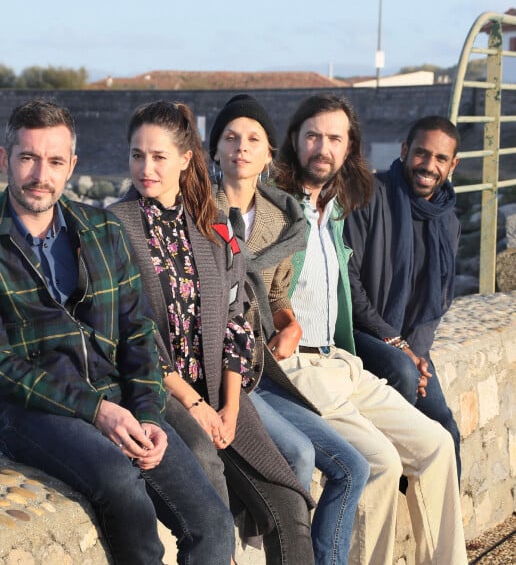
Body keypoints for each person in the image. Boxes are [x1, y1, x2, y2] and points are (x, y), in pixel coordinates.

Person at [0, 99, 235, 565]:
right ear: (4, 160)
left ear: (72, 166)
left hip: (119, 396)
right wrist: (99, 411)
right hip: (33, 411)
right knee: (122, 486)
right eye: (27, 158)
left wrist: (147, 413)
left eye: (55, 161)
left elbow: (137, 330)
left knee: (214, 525)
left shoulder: (101, 229)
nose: (41, 174)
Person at [109, 100, 315, 565]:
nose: (146, 168)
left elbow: (239, 319)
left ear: (185, 159)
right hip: (160, 390)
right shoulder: (114, 226)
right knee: (208, 476)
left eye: (159, 157)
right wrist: (197, 405)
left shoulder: (214, 226)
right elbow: (128, 331)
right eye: (137, 155)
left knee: (289, 505)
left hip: (221, 391)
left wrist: (230, 405)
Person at [273, 94, 467, 564]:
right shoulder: (274, 208)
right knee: (382, 461)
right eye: (313, 136)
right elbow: (252, 283)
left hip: (342, 360)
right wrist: (281, 322)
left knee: (439, 444)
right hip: (298, 366)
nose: (323, 147)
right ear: (295, 140)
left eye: (334, 138)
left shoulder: (335, 212)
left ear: (349, 147)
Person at [209, 93, 369, 565]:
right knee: (297, 454)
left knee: (353, 467)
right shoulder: (200, 212)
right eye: (230, 138)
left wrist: (290, 322)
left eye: (253, 139)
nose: (241, 147)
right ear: (215, 148)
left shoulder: (282, 219)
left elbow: (274, 293)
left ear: (267, 153)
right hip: (221, 370)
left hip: (266, 369)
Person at [343, 116, 462, 481]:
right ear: (405, 151)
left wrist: (417, 351)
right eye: (422, 154)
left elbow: (436, 301)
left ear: (452, 165)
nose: (429, 166)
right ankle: (396, 494)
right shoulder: (368, 196)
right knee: (402, 371)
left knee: (446, 428)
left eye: (441, 159)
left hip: (408, 346)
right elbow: (348, 281)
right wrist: (395, 342)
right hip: (361, 333)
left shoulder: (448, 221)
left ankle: (444, 535)